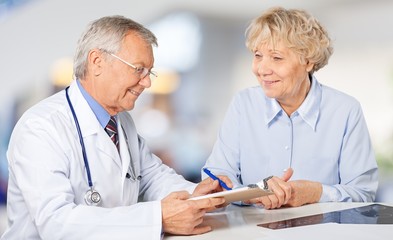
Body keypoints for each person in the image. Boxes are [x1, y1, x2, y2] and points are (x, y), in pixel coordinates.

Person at [1, 15, 233, 240]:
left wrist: (198, 195)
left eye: (149, 72)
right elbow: (56, 223)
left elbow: (152, 178)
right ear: (97, 61)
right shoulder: (41, 127)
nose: (148, 82)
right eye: (138, 69)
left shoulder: (121, 121)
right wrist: (158, 218)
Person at [202, 7, 378, 210]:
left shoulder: (345, 110)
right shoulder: (243, 104)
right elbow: (216, 176)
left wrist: (315, 192)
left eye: (276, 58)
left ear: (308, 61)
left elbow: (363, 193)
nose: (262, 69)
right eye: (258, 55)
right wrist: (252, 193)